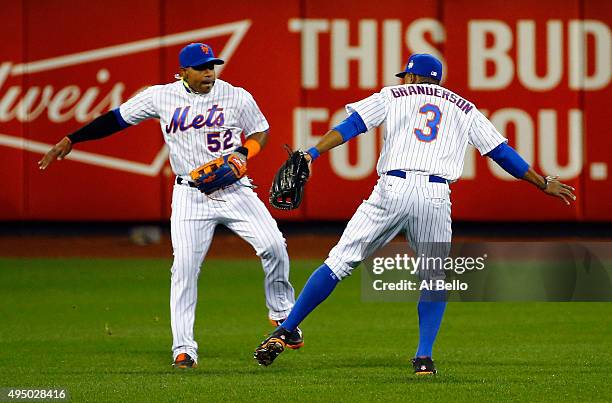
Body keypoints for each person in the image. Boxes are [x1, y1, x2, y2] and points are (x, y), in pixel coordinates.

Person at [253, 54, 576, 374]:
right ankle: (424, 358)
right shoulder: (463, 107)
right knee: (434, 277)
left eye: (403, 76)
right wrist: (541, 182)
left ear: (409, 77)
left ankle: (285, 330)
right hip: (435, 195)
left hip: (392, 188)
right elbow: (501, 152)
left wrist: (312, 152)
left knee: (338, 263)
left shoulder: (392, 95)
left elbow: (353, 125)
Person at [38, 43, 304, 369]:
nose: (209, 72)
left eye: (212, 66)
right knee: (184, 270)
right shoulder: (160, 97)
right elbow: (116, 119)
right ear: (182, 72)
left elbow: (261, 129)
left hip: (236, 190)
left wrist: (245, 153)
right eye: (201, 67)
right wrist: (72, 138)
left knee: (274, 245)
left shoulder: (237, 96)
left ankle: (282, 315)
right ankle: (183, 348)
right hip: (190, 195)